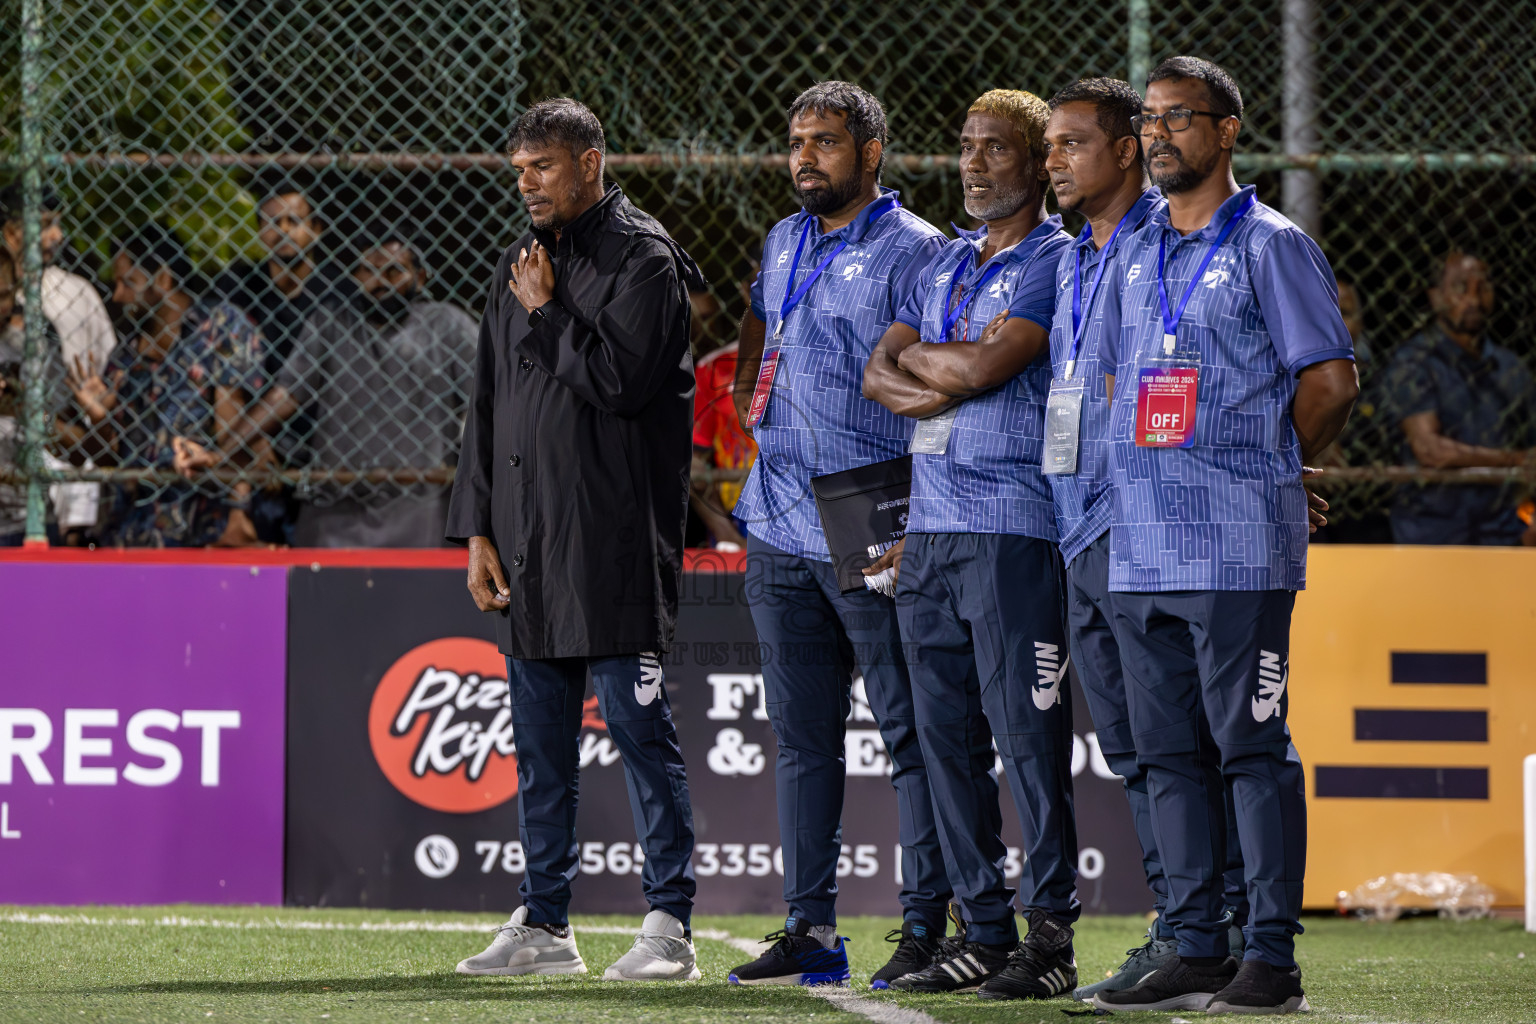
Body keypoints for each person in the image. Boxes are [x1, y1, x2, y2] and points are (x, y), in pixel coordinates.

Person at [1092, 57, 1357, 1014]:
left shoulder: (1271, 245)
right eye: (1150, 120)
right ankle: (1196, 945)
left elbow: (1329, 382)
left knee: (1250, 747)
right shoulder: (1134, 247)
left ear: (1228, 129)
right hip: (1143, 541)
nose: (1159, 134)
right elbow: (1122, 383)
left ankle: (1271, 957)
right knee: (1167, 754)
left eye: (1179, 118)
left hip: (1237, 543)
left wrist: (1273, 468)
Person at [446, 98, 704, 982]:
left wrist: (552, 312)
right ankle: (544, 923)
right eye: (518, 170)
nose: (527, 185)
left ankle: (669, 924)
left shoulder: (646, 259)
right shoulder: (520, 262)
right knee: (540, 741)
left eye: (542, 168)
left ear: (591, 162)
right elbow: (487, 403)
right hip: (526, 541)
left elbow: (622, 385)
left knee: (639, 729)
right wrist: (474, 526)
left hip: (613, 540)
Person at [722, 81, 950, 990]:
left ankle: (928, 925)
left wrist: (920, 511)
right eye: (796, 142)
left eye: (824, 142)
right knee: (803, 737)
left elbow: (942, 383)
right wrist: (748, 396)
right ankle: (810, 926)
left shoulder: (920, 251)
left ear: (872, 152)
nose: (805, 156)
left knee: (910, 733)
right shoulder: (783, 240)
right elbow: (755, 324)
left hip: (873, 513)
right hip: (777, 519)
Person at [862, 88, 1078, 1000]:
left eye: (996, 149)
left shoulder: (1054, 259)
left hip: (1015, 528)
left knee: (1029, 739)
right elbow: (877, 372)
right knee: (943, 741)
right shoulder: (944, 262)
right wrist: (945, 370)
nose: (975, 162)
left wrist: (944, 365)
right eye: (966, 146)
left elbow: (995, 364)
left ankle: (1053, 938)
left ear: (1036, 165)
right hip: (932, 533)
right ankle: (983, 931)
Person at [193, 232, 476, 547]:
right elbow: (285, 395)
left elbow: (482, 403)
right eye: (367, 271)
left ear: (419, 277)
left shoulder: (447, 324)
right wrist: (224, 451)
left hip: (421, 509)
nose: (378, 282)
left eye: (393, 271)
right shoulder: (331, 321)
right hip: (337, 509)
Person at [76, 222, 266, 547]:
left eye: (128, 282)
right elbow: (112, 461)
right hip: (130, 536)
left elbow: (236, 435)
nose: (118, 295)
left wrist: (237, 512)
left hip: (199, 531)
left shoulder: (219, 329)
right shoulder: (124, 358)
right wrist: (98, 421)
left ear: (162, 279)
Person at [213, 177, 348, 543]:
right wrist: (255, 442)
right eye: (272, 223)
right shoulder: (241, 286)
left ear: (315, 230)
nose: (282, 231)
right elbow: (227, 369)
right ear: (259, 232)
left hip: (323, 439)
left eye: (293, 221)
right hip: (253, 440)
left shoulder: (339, 294)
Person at [1384, 250, 1536, 545]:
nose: (1474, 300)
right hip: (1431, 524)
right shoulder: (1414, 361)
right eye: (1460, 288)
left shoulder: (1510, 367)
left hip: (1501, 523)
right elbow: (1430, 450)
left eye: (1483, 288)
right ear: (1436, 297)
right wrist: (1515, 460)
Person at [1, 183, 115, 538]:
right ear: (12, 231)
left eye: (59, 224)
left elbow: (103, 372)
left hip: (60, 467)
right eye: (46, 223)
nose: (58, 235)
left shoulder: (74, 295)